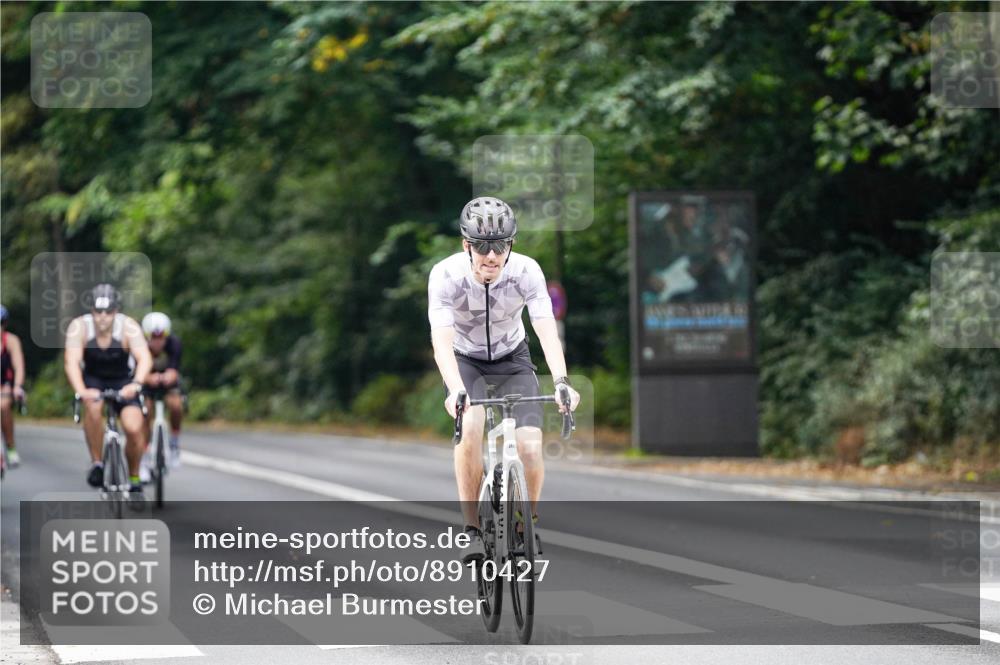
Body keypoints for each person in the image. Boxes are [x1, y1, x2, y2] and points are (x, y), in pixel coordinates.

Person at [428, 197, 580, 564]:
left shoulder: (526, 271)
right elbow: (441, 343)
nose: (492, 256)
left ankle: (526, 524)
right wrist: (456, 391)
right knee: (472, 427)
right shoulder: (445, 275)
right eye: (482, 246)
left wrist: (561, 380)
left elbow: (545, 330)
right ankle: (471, 530)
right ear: (467, 245)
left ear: (511, 244)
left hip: (513, 359)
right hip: (465, 362)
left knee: (529, 446)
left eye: (501, 245)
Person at [64, 284, 152, 502]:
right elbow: (72, 362)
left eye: (108, 312)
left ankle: (134, 479)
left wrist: (137, 383)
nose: (103, 317)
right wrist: (81, 390)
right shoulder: (80, 327)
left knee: (133, 428)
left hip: (124, 380)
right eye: (98, 311)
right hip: (93, 380)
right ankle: (97, 463)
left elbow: (144, 358)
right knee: (93, 408)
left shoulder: (128, 326)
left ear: (116, 311)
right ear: (91, 311)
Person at [140, 311, 184, 471]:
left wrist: (168, 377)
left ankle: (174, 442)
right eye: (153, 337)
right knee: (145, 412)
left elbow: (174, 371)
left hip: (167, 382)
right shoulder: (140, 347)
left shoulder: (174, 344)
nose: (157, 341)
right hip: (147, 382)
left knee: (176, 405)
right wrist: (148, 378)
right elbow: (138, 372)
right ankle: (144, 452)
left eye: (161, 337)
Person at [1, 305, 27, 468]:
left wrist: (18, 386)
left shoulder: (10, 341)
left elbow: (19, 366)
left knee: (3, 407)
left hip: (5, 384)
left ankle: (10, 447)